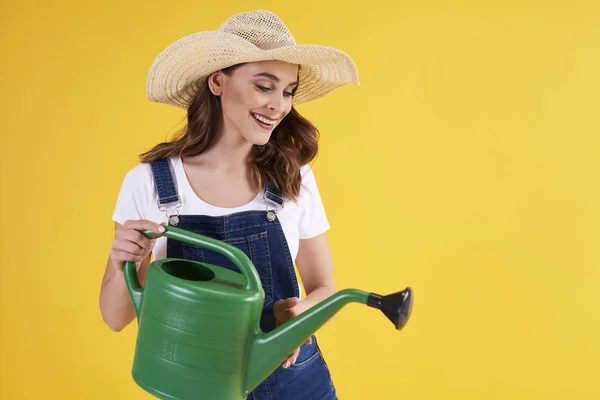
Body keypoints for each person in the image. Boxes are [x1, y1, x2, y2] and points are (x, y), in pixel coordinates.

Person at [99, 9, 358, 400]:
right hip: (194, 385)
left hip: (295, 383)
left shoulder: (293, 177)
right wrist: (128, 261)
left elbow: (324, 287)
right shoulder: (150, 183)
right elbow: (115, 317)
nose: (279, 105)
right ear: (218, 82)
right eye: (264, 86)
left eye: (287, 91)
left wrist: (301, 315)